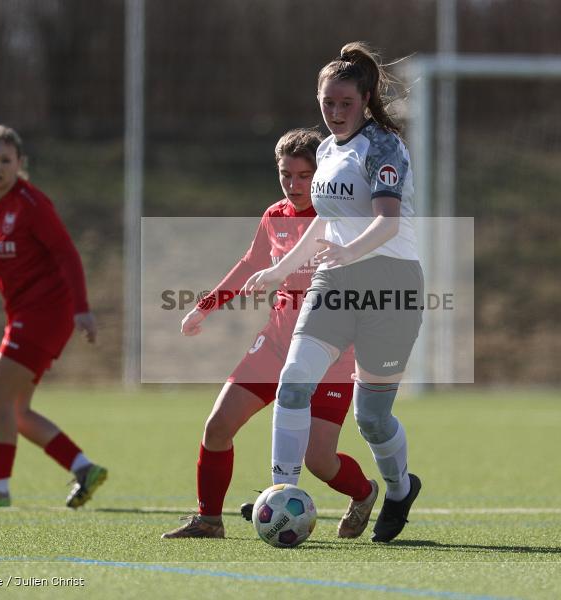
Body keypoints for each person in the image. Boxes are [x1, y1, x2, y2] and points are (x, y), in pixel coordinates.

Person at [244, 42, 423, 543]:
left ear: (365, 99)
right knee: (293, 382)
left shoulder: (384, 145)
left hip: (390, 286)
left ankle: (399, 488)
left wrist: (351, 252)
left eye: (346, 103)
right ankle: (282, 493)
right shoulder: (325, 150)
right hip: (335, 284)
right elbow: (325, 221)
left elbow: (387, 223)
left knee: (372, 417)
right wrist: (281, 268)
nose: (337, 112)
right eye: (328, 103)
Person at [162, 128, 379, 540]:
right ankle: (209, 520)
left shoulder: (341, 219)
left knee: (319, 459)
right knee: (218, 426)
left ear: (323, 175)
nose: (294, 185)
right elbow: (249, 265)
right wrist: (204, 307)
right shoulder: (274, 216)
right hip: (278, 342)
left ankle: (365, 493)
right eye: (286, 175)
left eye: (304, 176)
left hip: (333, 352)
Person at [0, 124, 107, 508]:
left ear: (20, 163)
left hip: (48, 313)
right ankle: (84, 468)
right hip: (21, 313)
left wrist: (82, 309)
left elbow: (68, 254)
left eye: (5, 159)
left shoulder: (32, 205)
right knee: (14, 409)